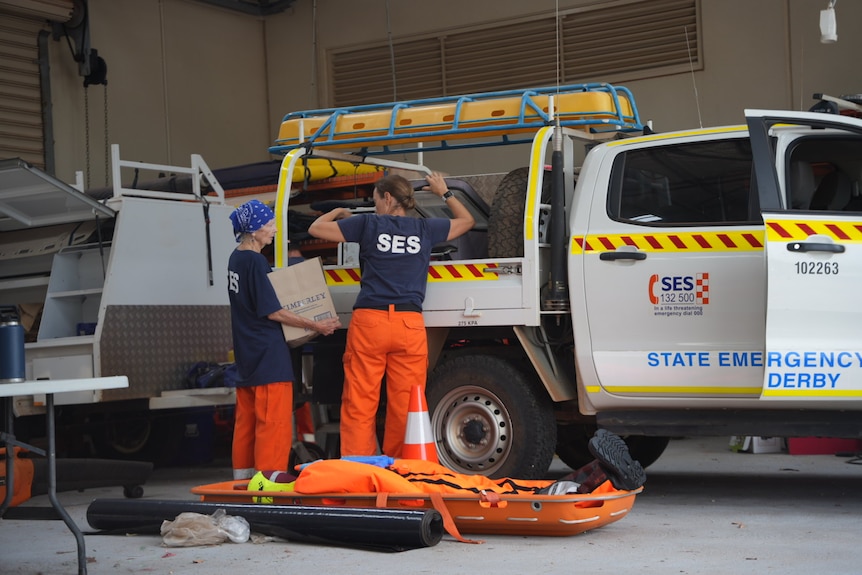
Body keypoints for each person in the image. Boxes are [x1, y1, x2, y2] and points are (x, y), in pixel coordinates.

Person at [308, 172, 475, 458]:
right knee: (406, 404)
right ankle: (402, 471)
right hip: (408, 325)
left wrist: (338, 211)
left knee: (360, 402)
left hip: (370, 323)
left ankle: (360, 471)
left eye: (375, 201)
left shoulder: (368, 224)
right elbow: (467, 221)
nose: (374, 208)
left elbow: (316, 229)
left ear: (387, 198)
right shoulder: (425, 229)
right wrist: (444, 193)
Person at [228, 199, 341, 479]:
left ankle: (242, 482)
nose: (275, 229)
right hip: (268, 356)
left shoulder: (236, 258)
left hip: (247, 355)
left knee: (246, 421)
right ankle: (269, 480)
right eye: (270, 224)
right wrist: (316, 324)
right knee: (273, 422)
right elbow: (273, 311)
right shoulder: (255, 262)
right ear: (254, 230)